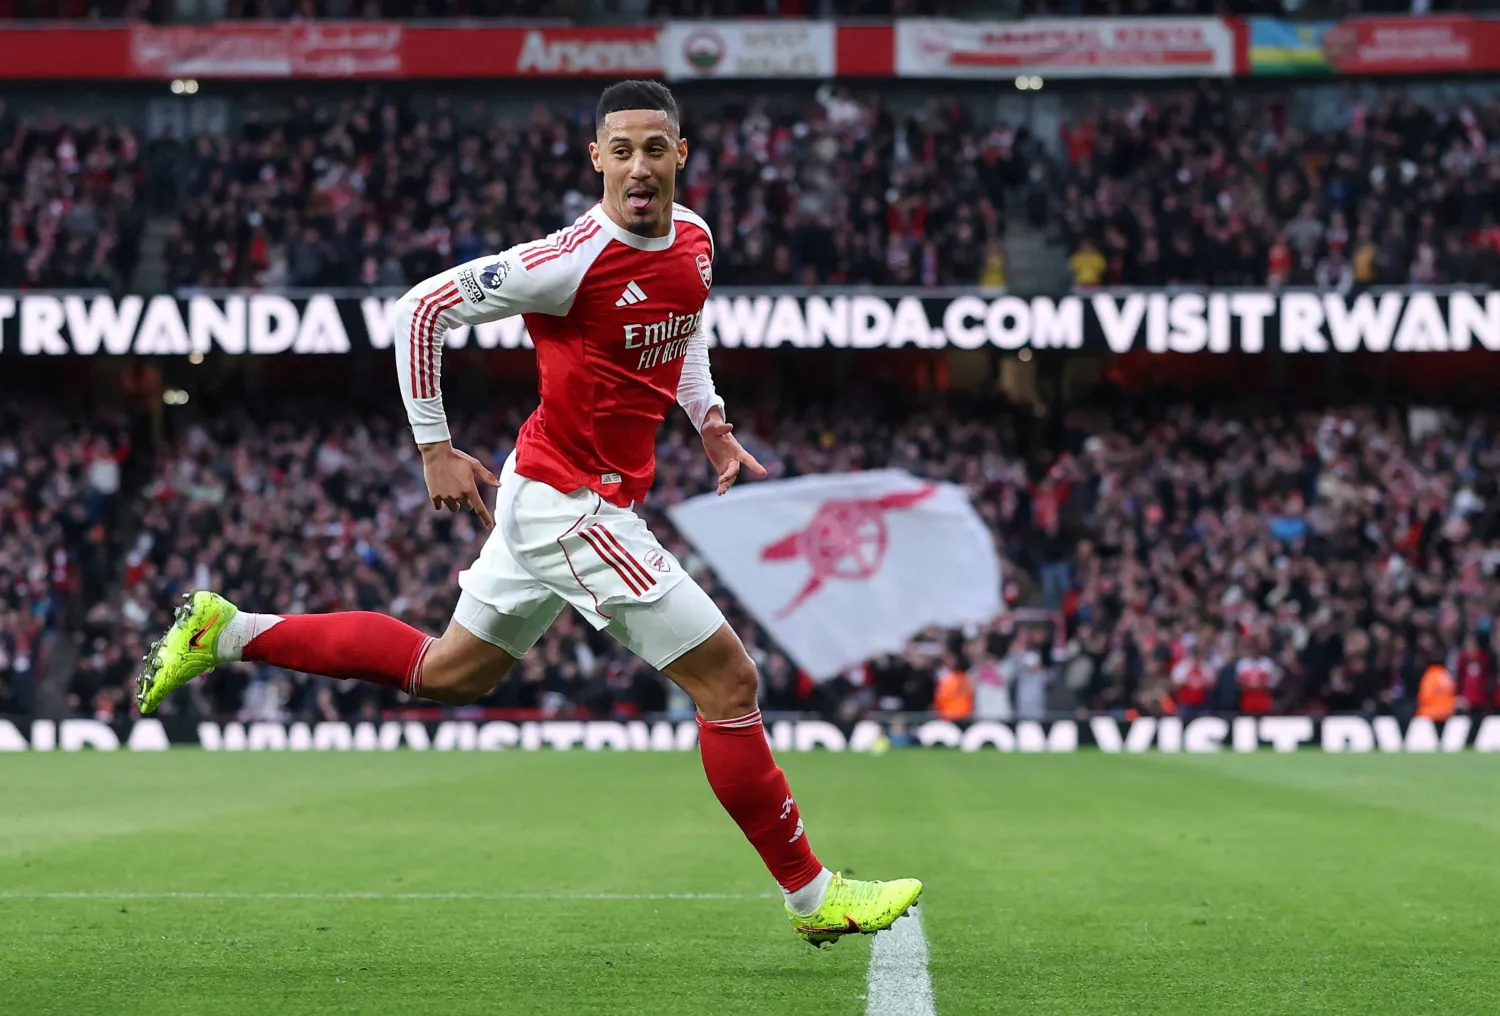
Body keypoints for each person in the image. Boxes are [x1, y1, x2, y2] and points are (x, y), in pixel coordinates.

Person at [134, 80, 920, 947]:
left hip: (553, 493)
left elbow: (685, 327)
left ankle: (229, 632)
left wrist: (713, 423)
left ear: (681, 156)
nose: (638, 167)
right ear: (596, 159)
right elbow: (421, 309)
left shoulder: (693, 239)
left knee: (450, 672)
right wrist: (433, 446)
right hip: (569, 508)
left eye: (655, 148)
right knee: (731, 684)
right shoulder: (568, 260)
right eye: (620, 150)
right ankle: (814, 899)